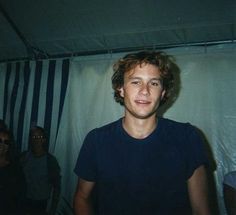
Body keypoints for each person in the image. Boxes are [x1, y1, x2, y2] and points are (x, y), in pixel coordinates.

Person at [73, 51, 211, 214]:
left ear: (163, 92)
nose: (145, 91)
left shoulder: (187, 137)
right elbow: (82, 197)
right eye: (136, 82)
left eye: (154, 83)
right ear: (121, 89)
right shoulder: (96, 141)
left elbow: (202, 210)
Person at [20, 126, 61, 215]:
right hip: (23, 202)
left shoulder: (50, 161)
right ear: (30, 139)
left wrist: (52, 209)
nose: (36, 140)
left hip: (41, 204)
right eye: (34, 137)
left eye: (39, 137)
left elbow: (57, 187)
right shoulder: (24, 157)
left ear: (44, 140)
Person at [0, 129, 26, 214]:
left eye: (6, 142)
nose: (2, 144)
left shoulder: (15, 168)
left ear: (9, 146)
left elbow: (21, 195)